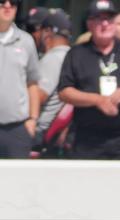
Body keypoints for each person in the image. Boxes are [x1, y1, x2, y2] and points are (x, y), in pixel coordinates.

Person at [58, 0, 120, 160]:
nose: (104, 24)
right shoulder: (76, 54)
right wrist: (98, 100)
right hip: (87, 140)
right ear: (89, 24)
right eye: (98, 19)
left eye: (109, 19)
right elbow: (64, 92)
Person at [0, 0, 40, 159]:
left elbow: (32, 83)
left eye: (13, 2)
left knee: (17, 182)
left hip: (17, 129)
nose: (8, 6)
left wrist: (33, 119)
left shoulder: (26, 41)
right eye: (2, 2)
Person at [34, 9, 71, 146]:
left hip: (40, 131)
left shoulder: (52, 59)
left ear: (47, 32)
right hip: (55, 133)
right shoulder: (73, 56)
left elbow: (36, 98)